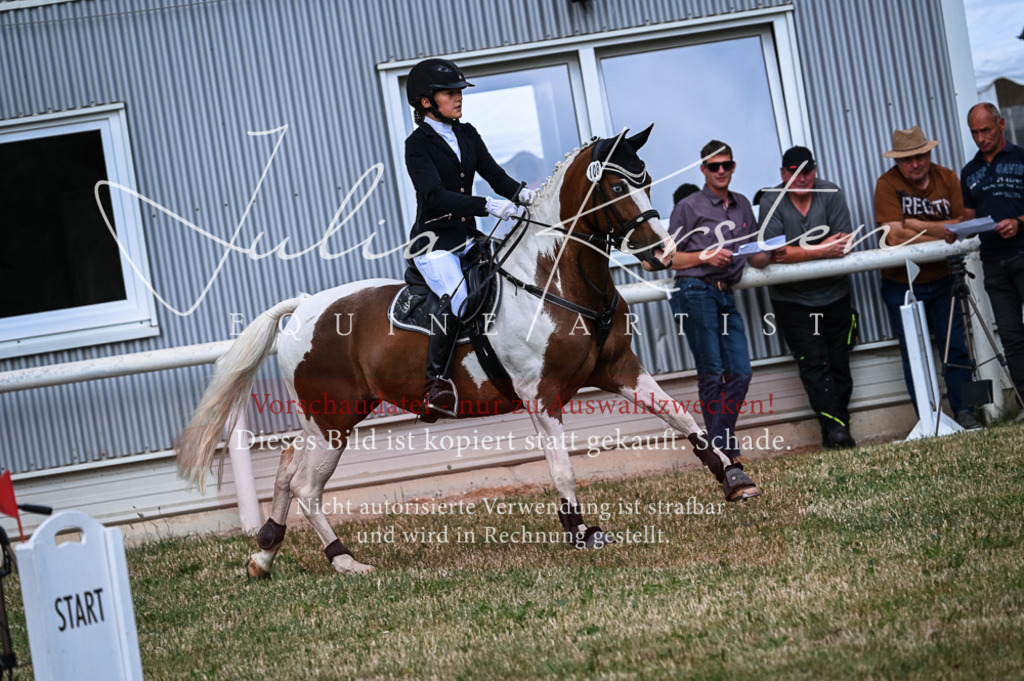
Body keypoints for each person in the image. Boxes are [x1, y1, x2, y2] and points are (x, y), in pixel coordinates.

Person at [404, 58, 532, 421]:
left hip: (467, 238)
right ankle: (436, 384)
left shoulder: (467, 133)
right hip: (434, 244)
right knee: (458, 299)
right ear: (427, 101)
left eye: (459, 92)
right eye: (450, 93)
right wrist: (487, 206)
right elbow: (433, 195)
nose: (459, 98)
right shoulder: (417, 144)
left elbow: (494, 174)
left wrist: (524, 197)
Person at [874, 125, 980, 430]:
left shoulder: (947, 178)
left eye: (920, 156)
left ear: (929, 153)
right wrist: (942, 232)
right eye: (907, 160)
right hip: (901, 282)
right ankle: (928, 417)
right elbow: (893, 237)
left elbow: (965, 225)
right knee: (914, 353)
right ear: (897, 161)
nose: (915, 164)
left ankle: (965, 411)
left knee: (956, 345)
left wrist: (915, 224)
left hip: (945, 276)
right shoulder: (887, 184)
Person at [751, 146, 857, 449]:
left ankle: (837, 429)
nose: (801, 177)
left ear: (815, 170)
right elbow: (773, 254)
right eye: (794, 172)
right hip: (793, 301)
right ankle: (838, 432)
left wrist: (796, 253)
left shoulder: (831, 192)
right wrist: (823, 249)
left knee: (839, 363)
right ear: (783, 174)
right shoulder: (772, 199)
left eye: (807, 171)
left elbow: (846, 243)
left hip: (836, 294)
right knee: (814, 366)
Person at [667, 140, 757, 462]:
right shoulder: (689, 206)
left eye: (727, 165)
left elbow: (755, 253)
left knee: (740, 372)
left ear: (734, 167)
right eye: (714, 166)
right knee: (712, 372)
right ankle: (726, 453)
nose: (721, 171)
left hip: (725, 292)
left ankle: (718, 447)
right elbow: (667, 258)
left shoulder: (743, 204)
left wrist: (786, 250)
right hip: (694, 290)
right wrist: (706, 255)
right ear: (703, 169)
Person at [945, 103, 1024, 412]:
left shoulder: (1021, 158)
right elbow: (970, 218)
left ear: (1001, 124)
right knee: (1011, 337)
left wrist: (1019, 222)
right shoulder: (970, 171)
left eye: (986, 130)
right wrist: (957, 232)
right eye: (974, 132)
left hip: (1022, 253)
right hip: (994, 263)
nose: (980, 138)